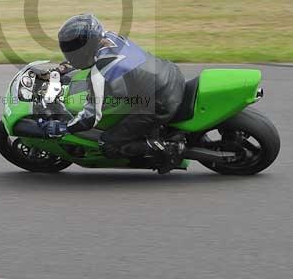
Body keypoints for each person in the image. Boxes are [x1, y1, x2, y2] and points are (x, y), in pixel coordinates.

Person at [41, 14, 186, 173]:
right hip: (170, 73)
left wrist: (63, 128)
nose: (69, 54)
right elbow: (89, 58)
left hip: (161, 101)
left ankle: (165, 149)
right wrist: (63, 68)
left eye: (73, 50)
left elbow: (90, 117)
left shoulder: (100, 73)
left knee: (108, 144)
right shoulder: (110, 37)